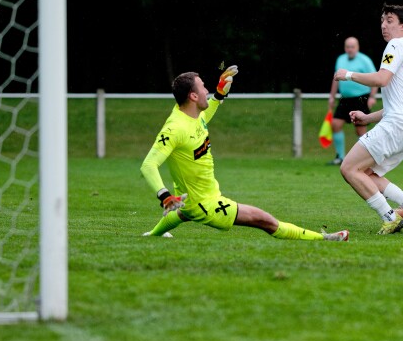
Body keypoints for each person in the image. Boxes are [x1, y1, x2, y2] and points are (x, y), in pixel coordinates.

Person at [141, 66, 349, 242]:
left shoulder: (192, 115)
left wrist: (219, 94)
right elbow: (148, 165)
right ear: (193, 96)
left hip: (196, 199)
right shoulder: (175, 128)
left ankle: (154, 234)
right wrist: (165, 196)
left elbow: (204, 115)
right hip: (206, 204)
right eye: (203, 87)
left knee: (183, 212)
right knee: (265, 220)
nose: (206, 90)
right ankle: (324, 239)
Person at [333, 4, 403, 235]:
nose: (384, 25)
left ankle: (390, 217)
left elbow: (381, 79)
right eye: (382, 20)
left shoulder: (396, 44)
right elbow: (397, 104)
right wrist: (367, 117)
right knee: (368, 173)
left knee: (349, 168)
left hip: (399, 124)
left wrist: (348, 74)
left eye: (390, 20)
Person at [327, 37, 378, 165]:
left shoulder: (364, 60)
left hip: (361, 98)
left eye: (352, 46)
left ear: (357, 47)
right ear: (345, 48)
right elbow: (336, 78)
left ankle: (363, 159)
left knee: (360, 129)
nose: (350, 49)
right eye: (347, 46)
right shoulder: (340, 59)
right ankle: (340, 157)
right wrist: (332, 96)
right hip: (345, 99)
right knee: (336, 124)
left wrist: (372, 97)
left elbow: (375, 78)